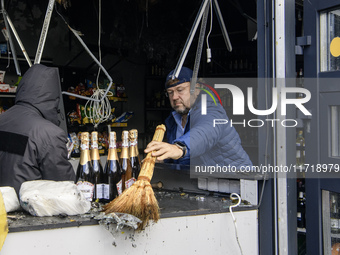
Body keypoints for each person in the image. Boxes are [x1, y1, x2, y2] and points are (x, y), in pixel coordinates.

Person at [144, 67, 252, 169]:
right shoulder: (173, 121)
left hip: (236, 181)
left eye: (180, 90)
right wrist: (162, 158)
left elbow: (204, 133)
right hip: (200, 183)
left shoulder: (211, 109)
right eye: (170, 92)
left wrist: (179, 147)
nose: (174, 97)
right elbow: (182, 158)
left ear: (197, 89)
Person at [0, 64, 75, 195]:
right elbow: (64, 188)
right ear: (52, 96)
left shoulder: (2, 119)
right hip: (28, 210)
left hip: (3, 207)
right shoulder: (50, 134)